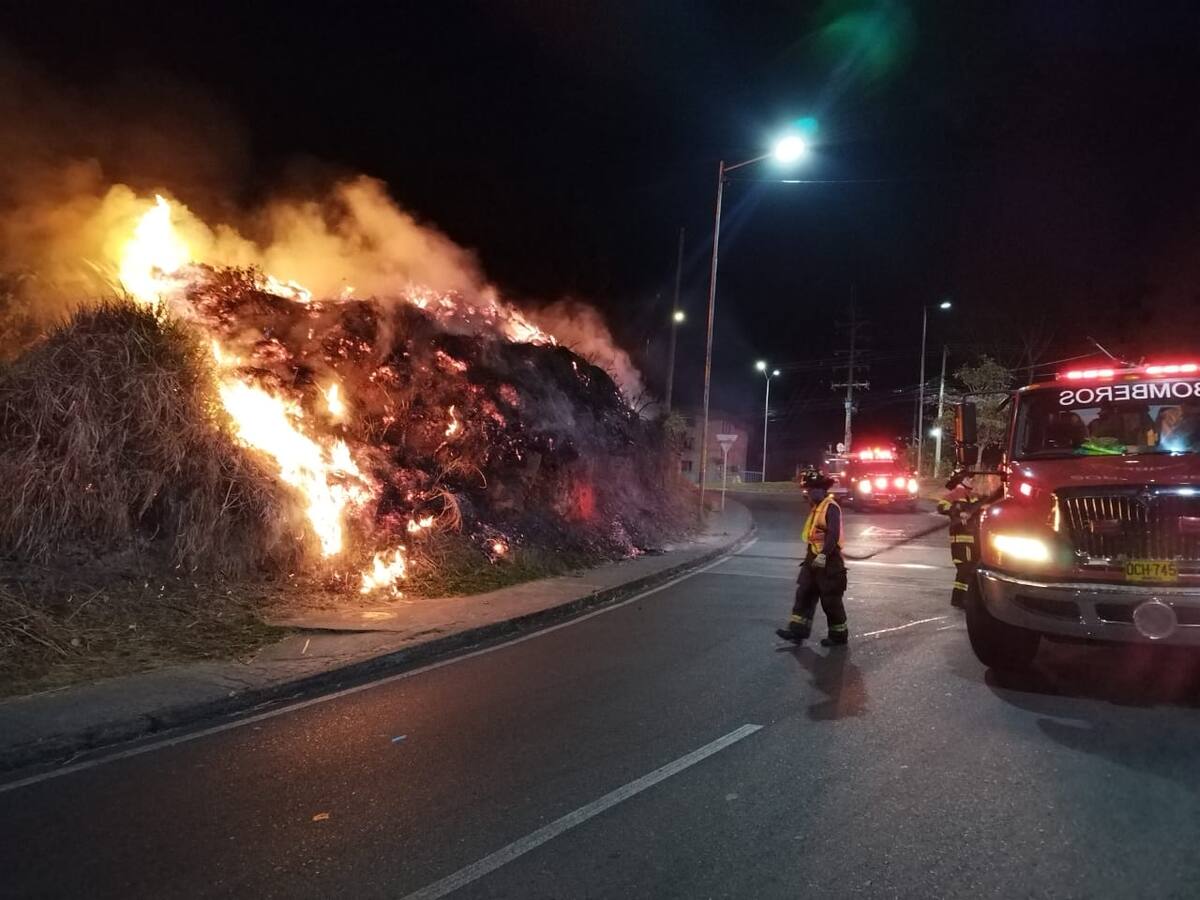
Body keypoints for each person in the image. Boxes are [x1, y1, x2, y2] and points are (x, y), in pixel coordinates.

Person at [776, 471, 849, 646]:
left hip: (829, 560)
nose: (808, 493)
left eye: (810, 490)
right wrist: (813, 556)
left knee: (830, 599)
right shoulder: (816, 507)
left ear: (821, 490)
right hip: (812, 558)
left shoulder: (830, 507)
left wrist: (823, 555)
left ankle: (838, 636)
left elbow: (832, 535)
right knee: (804, 594)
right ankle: (797, 631)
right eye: (807, 490)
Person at [936, 470, 1001, 608]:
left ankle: (964, 598)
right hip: (961, 539)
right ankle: (959, 598)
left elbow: (987, 503)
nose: (972, 481)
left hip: (974, 539)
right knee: (964, 568)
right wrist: (958, 512)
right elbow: (941, 506)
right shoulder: (954, 495)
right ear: (961, 480)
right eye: (969, 479)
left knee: (971, 569)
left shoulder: (973, 497)